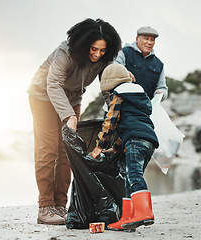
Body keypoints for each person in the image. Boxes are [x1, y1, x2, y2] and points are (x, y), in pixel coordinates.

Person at [27, 18, 121, 225]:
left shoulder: (105, 59)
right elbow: (53, 84)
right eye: (93, 49)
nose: (97, 55)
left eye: (102, 51)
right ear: (84, 44)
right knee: (48, 149)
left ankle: (60, 206)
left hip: (72, 98)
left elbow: (108, 87)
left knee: (67, 152)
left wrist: (116, 109)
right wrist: (69, 116)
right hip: (43, 95)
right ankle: (45, 207)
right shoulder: (66, 52)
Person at [90, 63, 159, 231]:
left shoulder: (118, 94)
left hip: (135, 140)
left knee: (133, 175)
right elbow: (128, 124)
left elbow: (111, 121)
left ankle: (144, 213)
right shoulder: (138, 95)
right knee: (130, 178)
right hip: (148, 141)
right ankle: (128, 218)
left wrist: (100, 145)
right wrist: (116, 148)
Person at [114, 26, 168, 101]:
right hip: (120, 104)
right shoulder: (124, 52)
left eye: (152, 40)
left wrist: (161, 93)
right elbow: (113, 69)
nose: (149, 42)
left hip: (144, 109)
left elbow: (162, 87)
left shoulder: (159, 64)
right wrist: (123, 73)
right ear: (137, 39)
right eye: (146, 39)